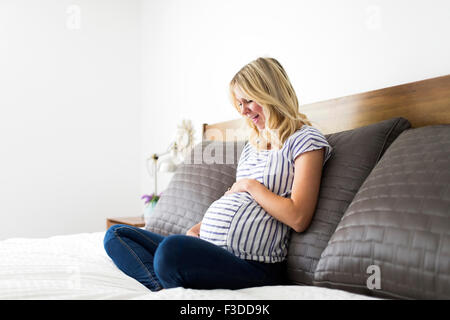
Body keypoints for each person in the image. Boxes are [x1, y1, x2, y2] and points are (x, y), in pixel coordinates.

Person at [103, 57, 333, 291]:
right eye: (239, 104)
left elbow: (298, 217)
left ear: (271, 94)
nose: (243, 111)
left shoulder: (305, 140)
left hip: (252, 263)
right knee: (116, 235)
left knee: (170, 251)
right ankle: (162, 288)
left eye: (249, 100)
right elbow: (235, 198)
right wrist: (197, 229)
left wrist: (252, 185)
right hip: (211, 248)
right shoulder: (252, 146)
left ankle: (168, 278)